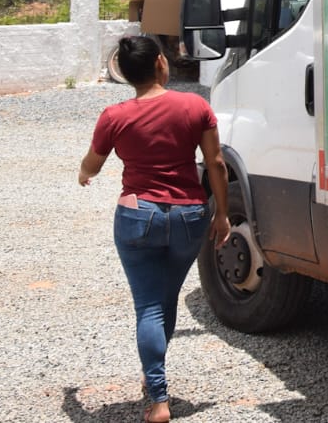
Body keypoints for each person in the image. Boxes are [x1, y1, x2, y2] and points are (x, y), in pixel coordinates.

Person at [79, 34, 232, 423]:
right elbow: (215, 163)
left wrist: (83, 173)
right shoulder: (195, 106)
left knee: (149, 305)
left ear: (126, 74)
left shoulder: (114, 116)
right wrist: (222, 214)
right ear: (162, 64)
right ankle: (153, 384)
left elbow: (92, 166)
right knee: (165, 300)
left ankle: (158, 399)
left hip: (137, 217)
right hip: (189, 217)